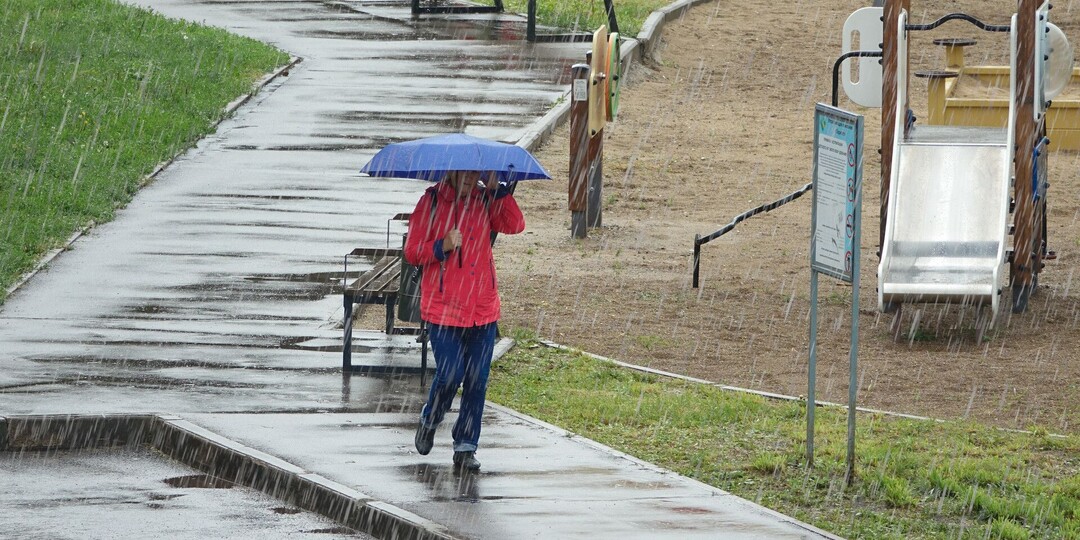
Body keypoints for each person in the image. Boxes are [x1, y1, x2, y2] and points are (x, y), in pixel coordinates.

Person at [404, 170, 525, 471]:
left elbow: (515, 224)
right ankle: (430, 418)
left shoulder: (485, 199)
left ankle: (466, 446)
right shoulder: (431, 202)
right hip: (443, 311)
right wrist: (440, 246)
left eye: (476, 172)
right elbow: (412, 252)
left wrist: (498, 191)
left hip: (482, 308)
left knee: (476, 380)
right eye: (465, 172)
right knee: (451, 374)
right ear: (452, 171)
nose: (471, 177)